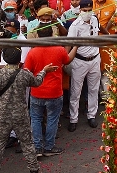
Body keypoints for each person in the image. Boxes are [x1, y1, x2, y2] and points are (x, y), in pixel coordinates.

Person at [24, 22, 77, 156]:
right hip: (54, 92)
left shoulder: (32, 52)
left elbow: (26, 71)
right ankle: (49, 147)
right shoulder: (59, 49)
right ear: (52, 35)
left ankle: (37, 148)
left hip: (37, 92)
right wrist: (75, 46)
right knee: (52, 119)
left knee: (35, 119)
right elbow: (68, 60)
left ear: (38, 35)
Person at [66, 0, 101, 131]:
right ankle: (73, 118)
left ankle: (91, 115)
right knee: (76, 92)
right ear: (80, 10)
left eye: (89, 10)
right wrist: (65, 59)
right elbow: (69, 44)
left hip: (95, 59)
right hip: (80, 61)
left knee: (93, 89)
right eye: (84, 10)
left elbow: (98, 30)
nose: (87, 12)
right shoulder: (75, 26)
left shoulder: (94, 19)